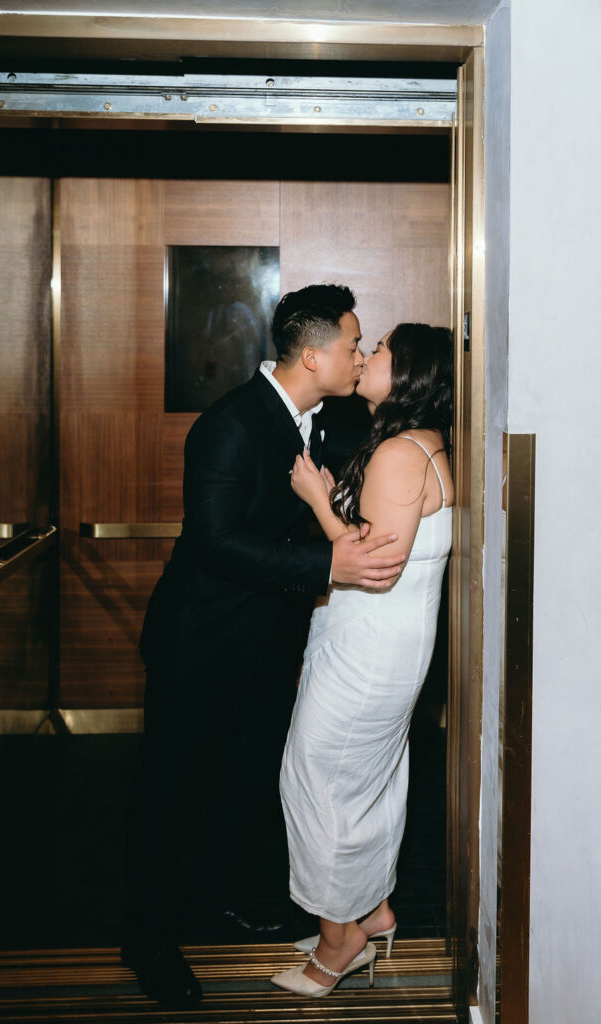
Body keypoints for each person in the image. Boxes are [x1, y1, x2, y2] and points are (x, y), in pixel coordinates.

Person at [122, 284, 407, 1007]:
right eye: (351, 343)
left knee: (248, 787)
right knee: (172, 792)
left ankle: (213, 899)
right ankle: (146, 936)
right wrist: (325, 566)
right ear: (312, 355)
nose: (358, 353)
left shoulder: (323, 420)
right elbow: (215, 542)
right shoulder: (230, 425)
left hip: (270, 646)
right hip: (201, 643)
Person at [271, 322, 454, 998]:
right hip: (382, 645)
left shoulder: (401, 453)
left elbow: (372, 566)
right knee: (366, 786)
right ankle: (368, 911)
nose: (368, 355)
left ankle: (336, 941)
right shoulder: (419, 444)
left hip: (369, 648)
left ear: (405, 374)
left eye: (380, 352)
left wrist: (318, 499)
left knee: (316, 783)